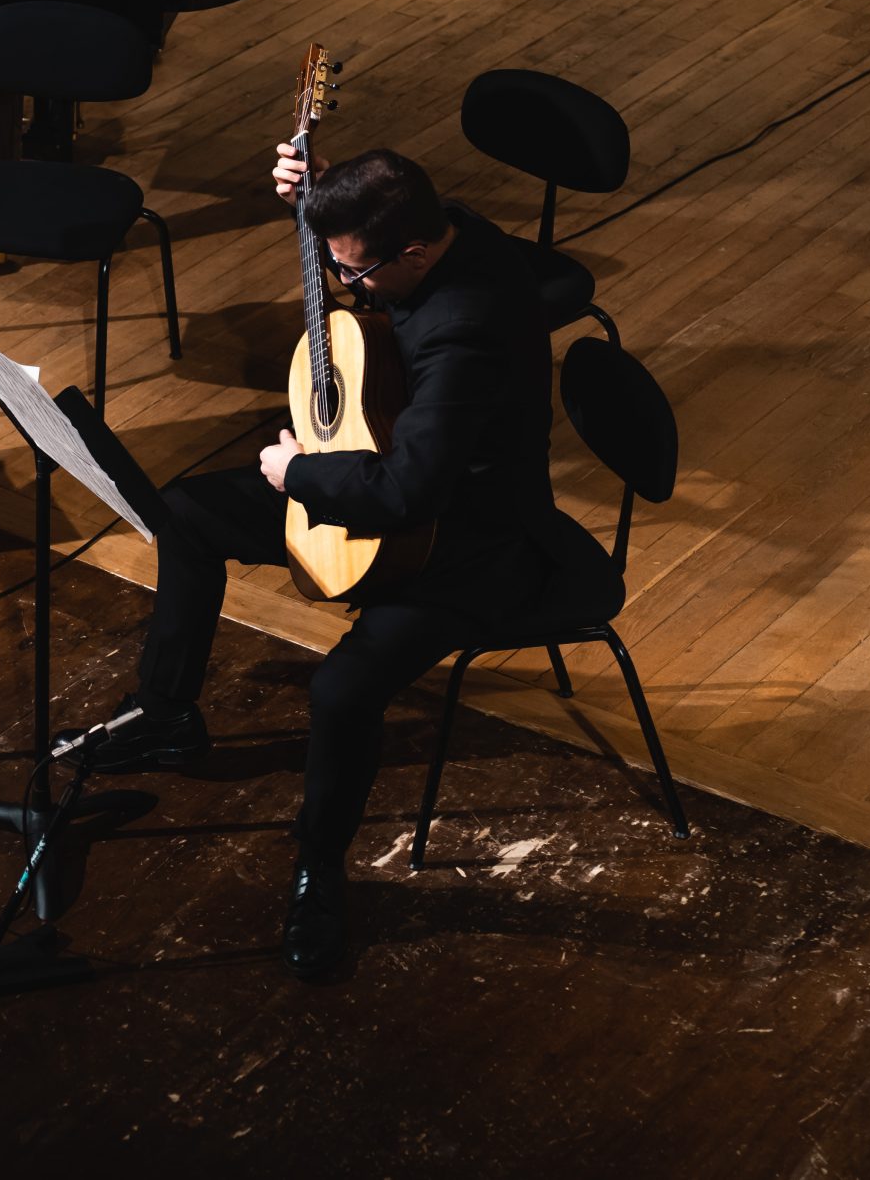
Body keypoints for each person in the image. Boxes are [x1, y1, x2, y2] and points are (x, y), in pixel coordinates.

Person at [76, 145, 559, 980]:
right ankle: (165, 713)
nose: (348, 287)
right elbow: (365, 255)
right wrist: (324, 193)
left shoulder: (470, 324)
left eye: (356, 273)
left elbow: (410, 489)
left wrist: (298, 473)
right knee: (187, 512)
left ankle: (320, 869)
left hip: (460, 538)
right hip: (368, 471)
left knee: (341, 690)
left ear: (412, 254)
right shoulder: (429, 232)